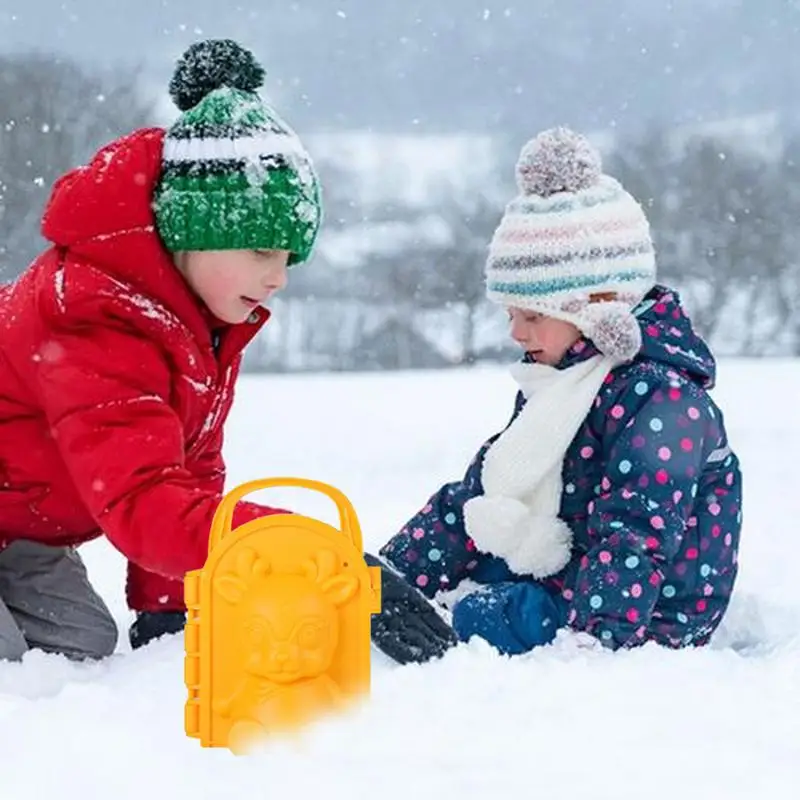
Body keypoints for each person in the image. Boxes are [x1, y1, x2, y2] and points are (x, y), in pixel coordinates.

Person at [366, 126, 743, 663]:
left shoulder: (665, 400)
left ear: (600, 304)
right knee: (484, 554)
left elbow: (635, 533)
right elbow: (486, 491)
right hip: (579, 560)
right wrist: (397, 573)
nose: (516, 333)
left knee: (487, 612)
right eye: (511, 315)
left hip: (655, 607)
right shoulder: (561, 378)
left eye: (533, 316)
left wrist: (593, 638)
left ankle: (471, 639)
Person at [0, 38, 322, 662]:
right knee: (11, 668)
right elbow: (144, 499)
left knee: (81, 648)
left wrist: (168, 609)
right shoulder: (93, 317)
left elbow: (188, 470)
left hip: (20, 533)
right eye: (261, 252)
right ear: (194, 237)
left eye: (288, 259)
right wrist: (290, 549)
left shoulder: (204, 326)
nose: (278, 277)